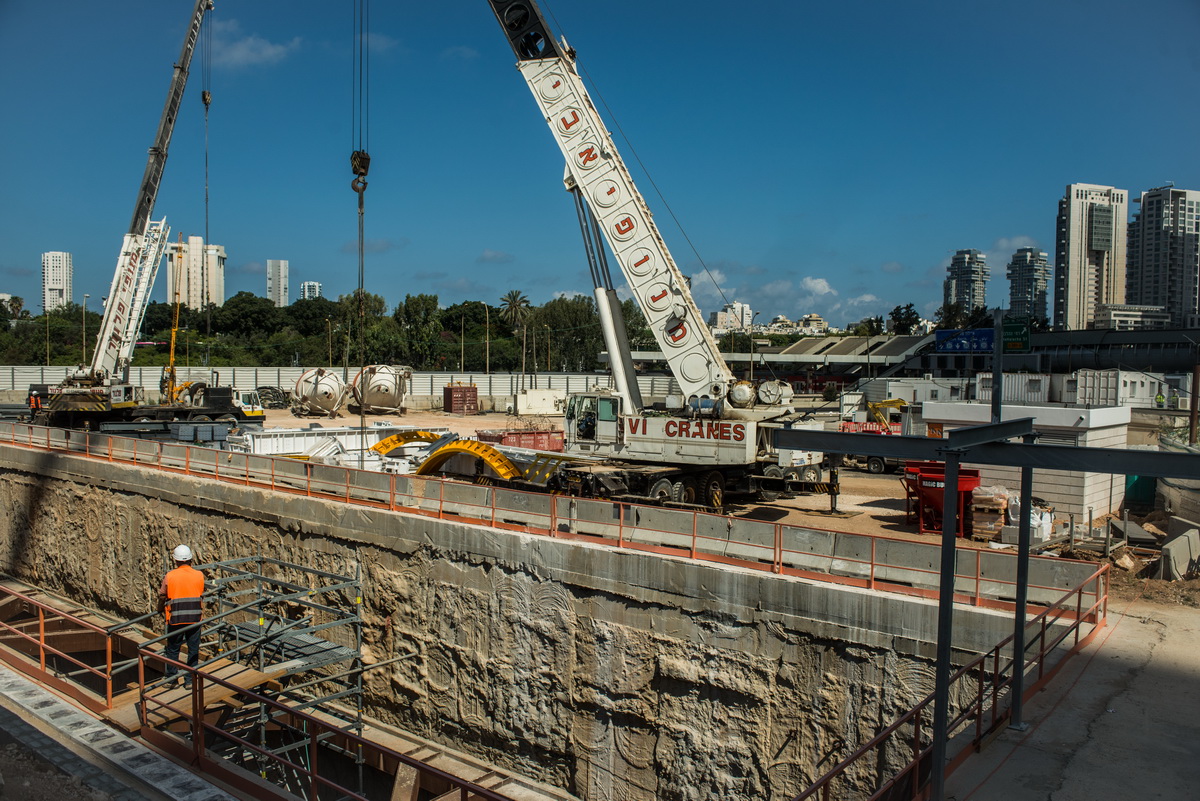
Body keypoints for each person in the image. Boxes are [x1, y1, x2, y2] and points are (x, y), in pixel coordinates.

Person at [157, 544, 205, 688]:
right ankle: (190, 681)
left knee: (173, 649)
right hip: (195, 618)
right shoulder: (199, 575)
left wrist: (159, 608)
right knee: (193, 650)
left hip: (176, 618)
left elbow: (162, 595)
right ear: (190, 559)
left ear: (176, 560)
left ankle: (172, 680)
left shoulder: (170, 576)